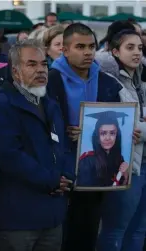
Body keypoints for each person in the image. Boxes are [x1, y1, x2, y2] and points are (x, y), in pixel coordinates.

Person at [0, 39, 73, 251]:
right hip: (19, 218)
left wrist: (68, 175)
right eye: (32, 64)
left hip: (52, 215)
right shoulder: (3, 104)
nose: (41, 70)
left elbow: (64, 146)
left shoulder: (50, 103)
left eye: (44, 64)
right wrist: (52, 180)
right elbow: (9, 155)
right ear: (16, 72)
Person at [47, 23, 122, 251]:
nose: (88, 52)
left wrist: (127, 133)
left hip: (96, 172)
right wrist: (62, 131)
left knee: (88, 232)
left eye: (91, 46)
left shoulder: (108, 83)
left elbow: (118, 121)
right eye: (80, 46)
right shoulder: (48, 81)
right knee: (60, 236)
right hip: (60, 171)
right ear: (65, 50)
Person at [95, 29, 146, 251]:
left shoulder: (141, 82)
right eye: (130, 47)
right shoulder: (109, 83)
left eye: (140, 48)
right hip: (125, 165)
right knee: (116, 229)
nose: (137, 53)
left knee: (139, 230)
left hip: (143, 162)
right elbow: (121, 127)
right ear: (115, 51)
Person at [77, 111, 129, 187]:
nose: (108, 138)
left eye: (112, 133)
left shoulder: (119, 159)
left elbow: (120, 189)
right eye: (103, 133)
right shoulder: (87, 161)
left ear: (117, 136)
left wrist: (125, 175)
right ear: (97, 137)